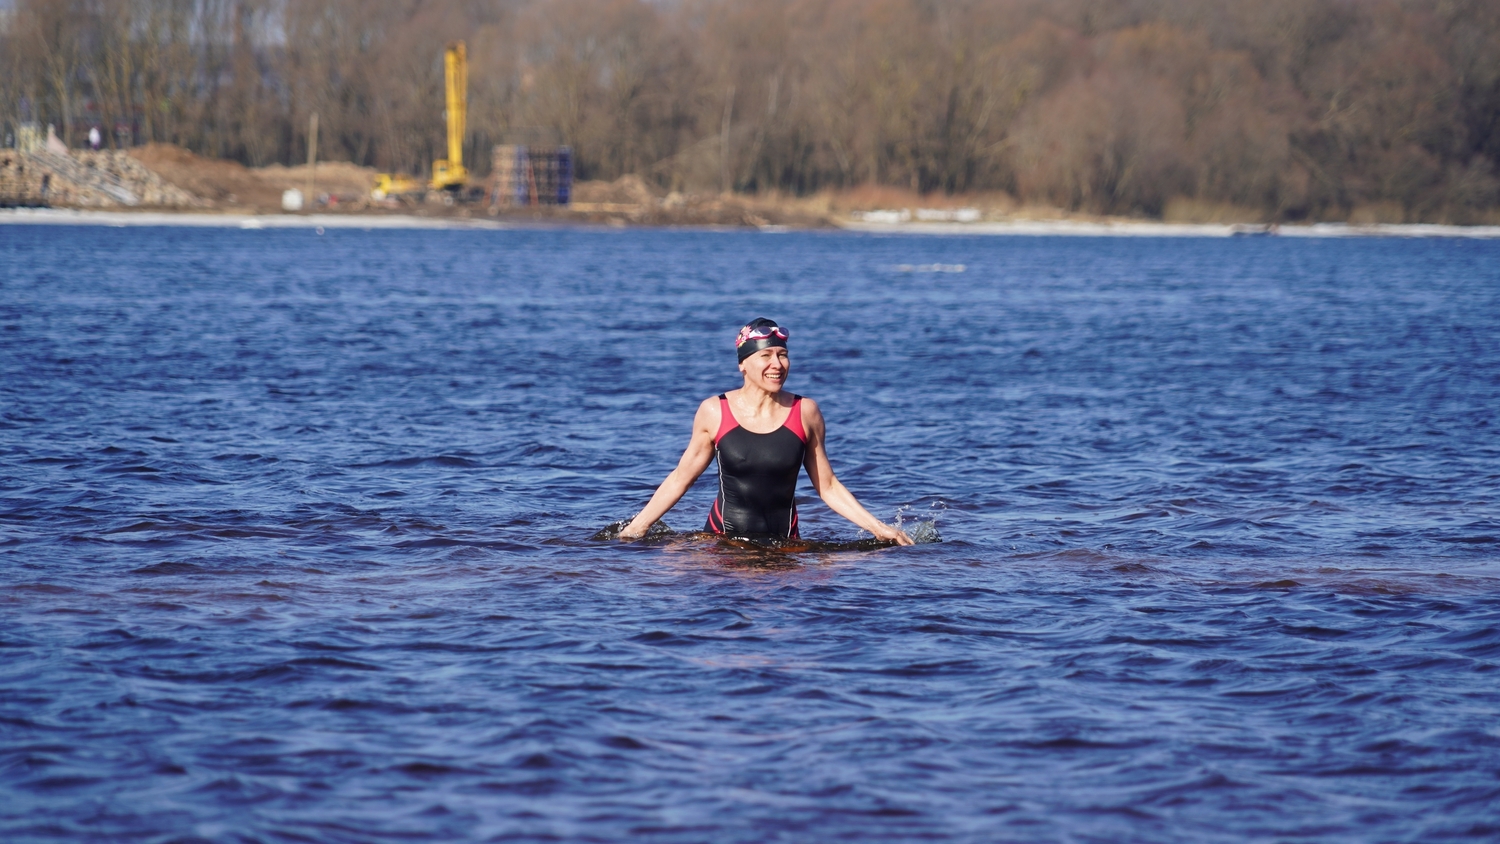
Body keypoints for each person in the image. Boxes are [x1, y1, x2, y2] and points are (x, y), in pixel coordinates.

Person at [620, 318, 913, 545]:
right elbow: (681, 478)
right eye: (766, 356)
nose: (777, 364)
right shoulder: (715, 410)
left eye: (783, 355)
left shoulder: (805, 412)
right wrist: (637, 527)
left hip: (785, 545)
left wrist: (878, 528)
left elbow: (828, 486)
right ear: (743, 365)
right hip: (722, 544)